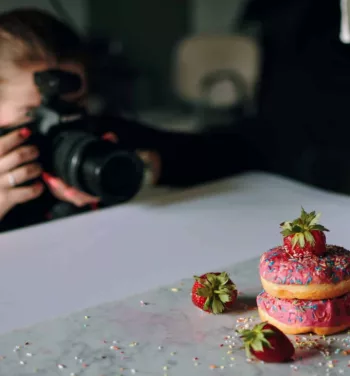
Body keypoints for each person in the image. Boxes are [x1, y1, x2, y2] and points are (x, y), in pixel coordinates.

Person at [0, 2, 348, 233]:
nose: (63, 125)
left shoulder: (101, 134)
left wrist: (146, 168)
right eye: (35, 114)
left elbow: (236, 148)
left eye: (75, 105)